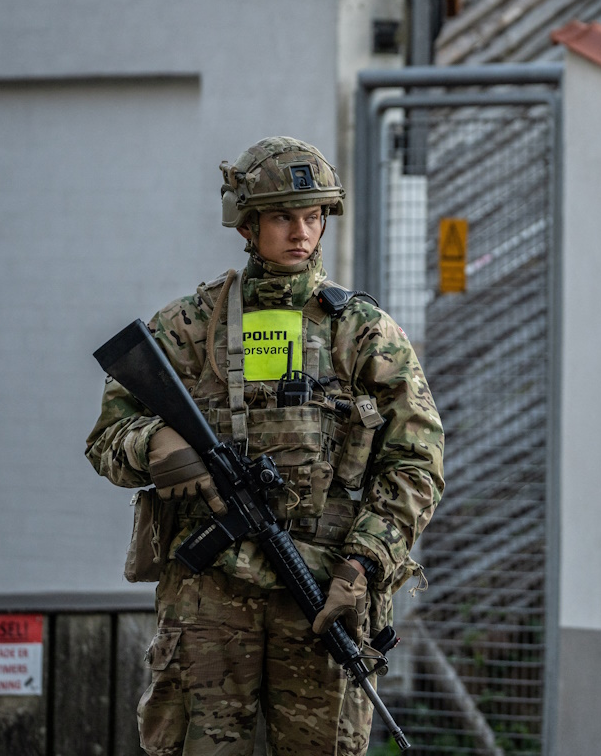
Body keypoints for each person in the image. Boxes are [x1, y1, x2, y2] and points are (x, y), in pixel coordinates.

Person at [86, 136, 444, 756]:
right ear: (247, 225)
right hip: (209, 601)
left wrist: (364, 562)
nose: (301, 232)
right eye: (283, 216)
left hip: (323, 591)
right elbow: (107, 439)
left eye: (314, 216)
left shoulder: (362, 333)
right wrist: (155, 444)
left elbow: (416, 461)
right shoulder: (192, 326)